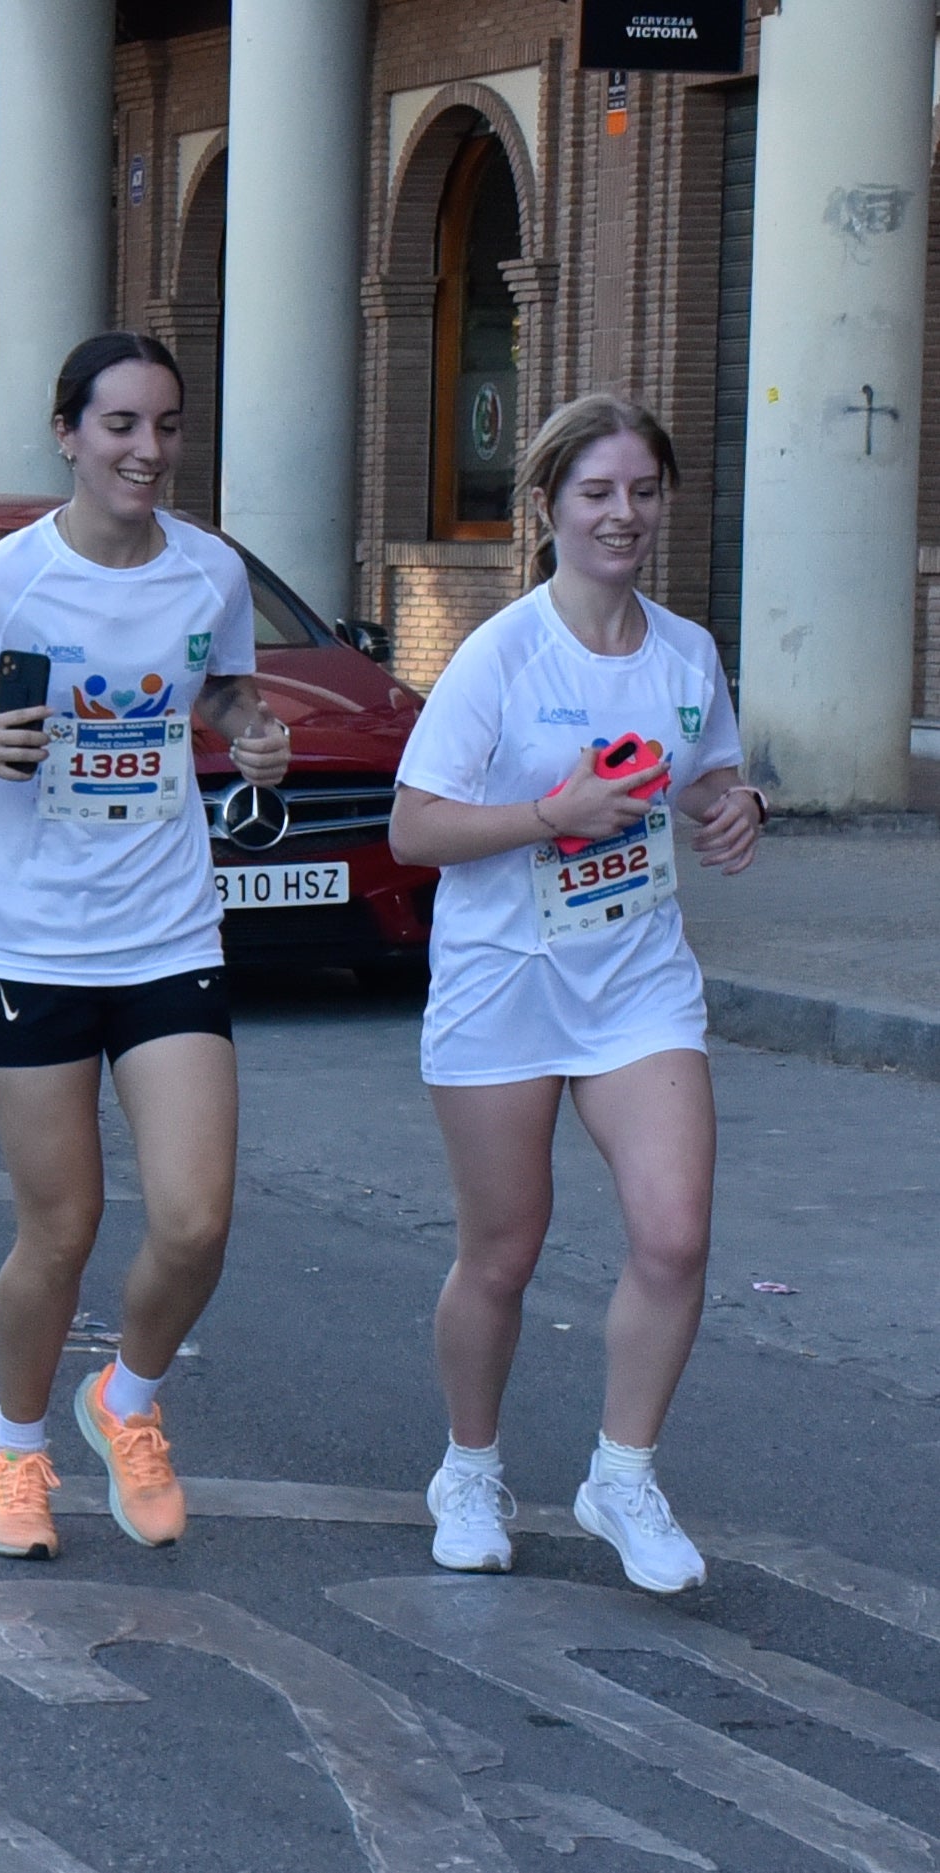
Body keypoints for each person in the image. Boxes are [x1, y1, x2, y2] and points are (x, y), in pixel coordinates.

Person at [0, 332, 292, 1561]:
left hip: (168, 932)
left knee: (196, 1221)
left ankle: (129, 1398)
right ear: (67, 434)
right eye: (120, 425)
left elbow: (221, 688)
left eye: (166, 425)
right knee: (61, 1231)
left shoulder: (210, 571)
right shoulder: (4, 586)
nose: (147, 450)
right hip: (31, 950)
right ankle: (14, 1450)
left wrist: (252, 730)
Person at [388, 395, 762, 1595]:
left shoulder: (686, 653)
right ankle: (469, 1468)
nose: (623, 514)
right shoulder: (503, 654)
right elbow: (413, 829)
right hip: (504, 980)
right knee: (504, 1253)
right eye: (598, 492)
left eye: (643, 492)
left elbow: (708, 774)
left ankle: (623, 1475)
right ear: (548, 505)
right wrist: (554, 814)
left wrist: (735, 807)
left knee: (675, 1232)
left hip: (637, 982)